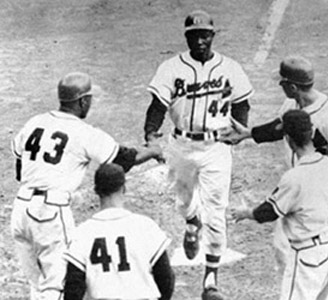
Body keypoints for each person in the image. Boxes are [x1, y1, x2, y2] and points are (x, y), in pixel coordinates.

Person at [10, 72, 164, 300]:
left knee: (37, 285)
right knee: (58, 284)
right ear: (83, 101)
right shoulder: (83, 132)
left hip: (20, 209)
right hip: (49, 212)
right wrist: (153, 150)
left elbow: (19, 169)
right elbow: (122, 159)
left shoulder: (35, 122)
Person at [219, 56, 328, 298]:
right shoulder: (292, 107)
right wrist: (249, 134)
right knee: (304, 254)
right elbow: (280, 127)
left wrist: (327, 198)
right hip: (307, 191)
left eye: (282, 82)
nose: (279, 86)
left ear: (292, 86)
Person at [143, 9, 254, 300]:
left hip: (216, 146)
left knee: (217, 210)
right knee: (183, 202)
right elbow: (157, 104)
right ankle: (193, 223)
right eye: (194, 36)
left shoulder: (230, 67)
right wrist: (151, 133)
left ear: (212, 36)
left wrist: (239, 131)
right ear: (187, 37)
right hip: (181, 145)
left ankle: (211, 280)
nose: (200, 41)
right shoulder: (170, 67)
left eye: (204, 35)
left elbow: (242, 101)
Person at [230, 109, 328, 300]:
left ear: (288, 139)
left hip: (310, 257)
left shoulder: (294, 177)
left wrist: (246, 213)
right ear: (311, 133)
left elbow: (269, 212)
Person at [63, 163, 175, 300]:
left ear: (96, 191)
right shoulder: (145, 226)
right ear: (124, 188)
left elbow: (73, 288)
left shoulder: (83, 233)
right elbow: (166, 280)